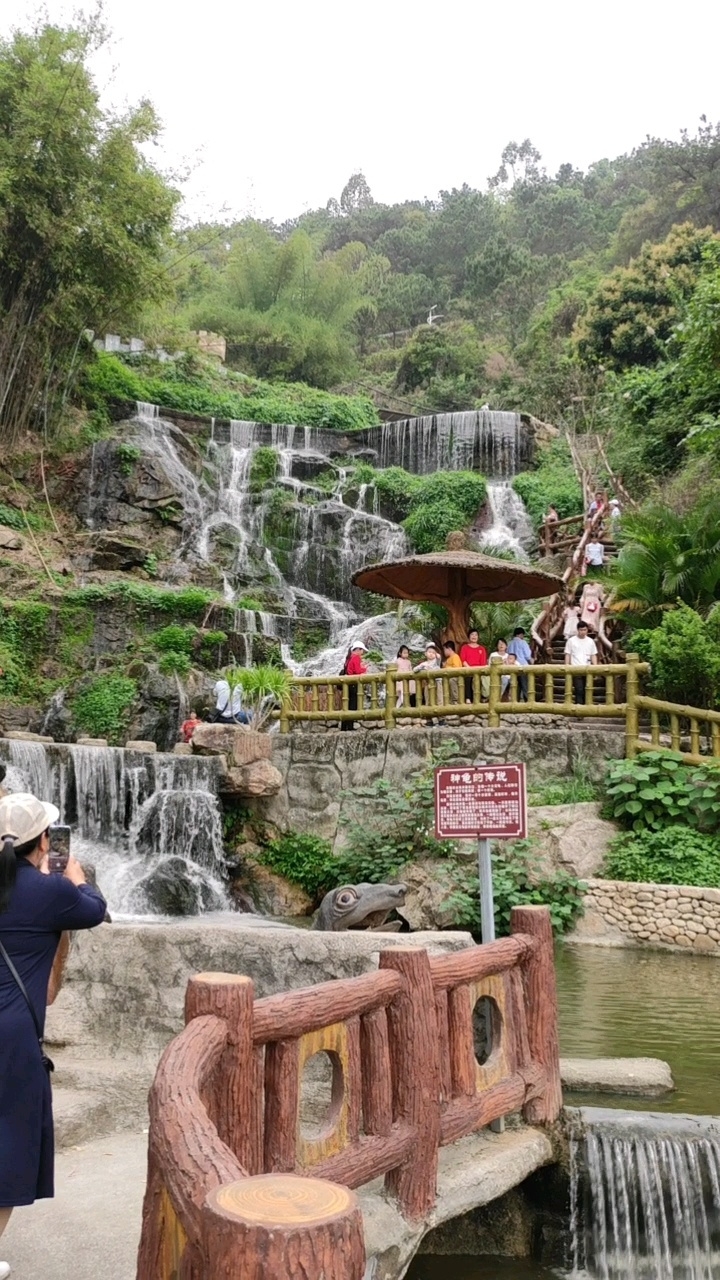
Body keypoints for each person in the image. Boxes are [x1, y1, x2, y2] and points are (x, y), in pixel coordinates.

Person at [0, 794, 107, 1277]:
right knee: (11, 1144)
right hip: (13, 1039)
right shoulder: (51, 893)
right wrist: (74, 876)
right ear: (44, 841)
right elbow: (95, 909)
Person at [565, 620, 598, 704]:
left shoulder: (590, 641)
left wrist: (595, 667)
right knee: (579, 689)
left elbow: (593, 655)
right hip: (576, 668)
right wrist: (567, 666)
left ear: (587, 630)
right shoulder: (571, 641)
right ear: (578, 630)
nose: (583, 632)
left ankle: (587, 707)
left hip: (588, 668)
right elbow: (567, 654)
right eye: (581, 630)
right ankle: (579, 708)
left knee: (588, 688)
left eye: (585, 630)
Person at [341, 642, 367, 731]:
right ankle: (350, 726)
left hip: (347, 684)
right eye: (362, 650)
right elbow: (357, 670)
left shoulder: (349, 657)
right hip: (352, 683)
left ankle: (344, 727)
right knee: (352, 705)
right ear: (358, 649)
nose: (362, 651)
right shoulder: (356, 657)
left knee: (347, 705)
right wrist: (365, 668)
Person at [460, 629, 487, 704]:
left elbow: (483, 663)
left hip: (479, 670)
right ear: (469, 636)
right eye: (472, 634)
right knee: (468, 678)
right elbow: (463, 660)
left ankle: (479, 698)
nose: (474, 636)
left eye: (476, 635)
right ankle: (468, 698)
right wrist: (469, 668)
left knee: (479, 679)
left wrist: (477, 670)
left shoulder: (482, 649)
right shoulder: (464, 647)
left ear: (478, 637)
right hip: (467, 669)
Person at [507, 627, 532, 702]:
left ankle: (515, 700)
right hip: (523, 666)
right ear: (521, 634)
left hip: (512, 666)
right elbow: (527, 655)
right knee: (524, 684)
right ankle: (527, 700)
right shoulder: (523, 642)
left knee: (516, 685)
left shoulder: (509, 643)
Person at [414, 644, 441, 711]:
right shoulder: (424, 664)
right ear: (425, 653)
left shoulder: (436, 662)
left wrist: (438, 657)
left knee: (439, 698)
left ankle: (441, 717)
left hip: (437, 682)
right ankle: (430, 717)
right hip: (428, 683)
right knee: (428, 698)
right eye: (429, 652)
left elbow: (439, 659)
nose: (431, 654)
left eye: (433, 652)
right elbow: (415, 669)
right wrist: (422, 668)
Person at [394, 645, 416, 710]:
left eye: (407, 653)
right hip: (400, 680)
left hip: (408, 680)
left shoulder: (409, 662)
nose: (406, 654)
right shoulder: (397, 661)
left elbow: (410, 670)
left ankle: (397, 708)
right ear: (400, 653)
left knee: (405, 694)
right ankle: (405, 706)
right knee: (402, 694)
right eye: (404, 653)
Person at [442, 640, 463, 705]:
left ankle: (455, 699)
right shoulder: (448, 659)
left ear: (449, 649)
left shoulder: (455, 657)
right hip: (448, 677)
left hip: (455, 677)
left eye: (445, 649)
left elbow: (456, 668)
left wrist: (447, 668)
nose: (444, 651)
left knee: (452, 681)